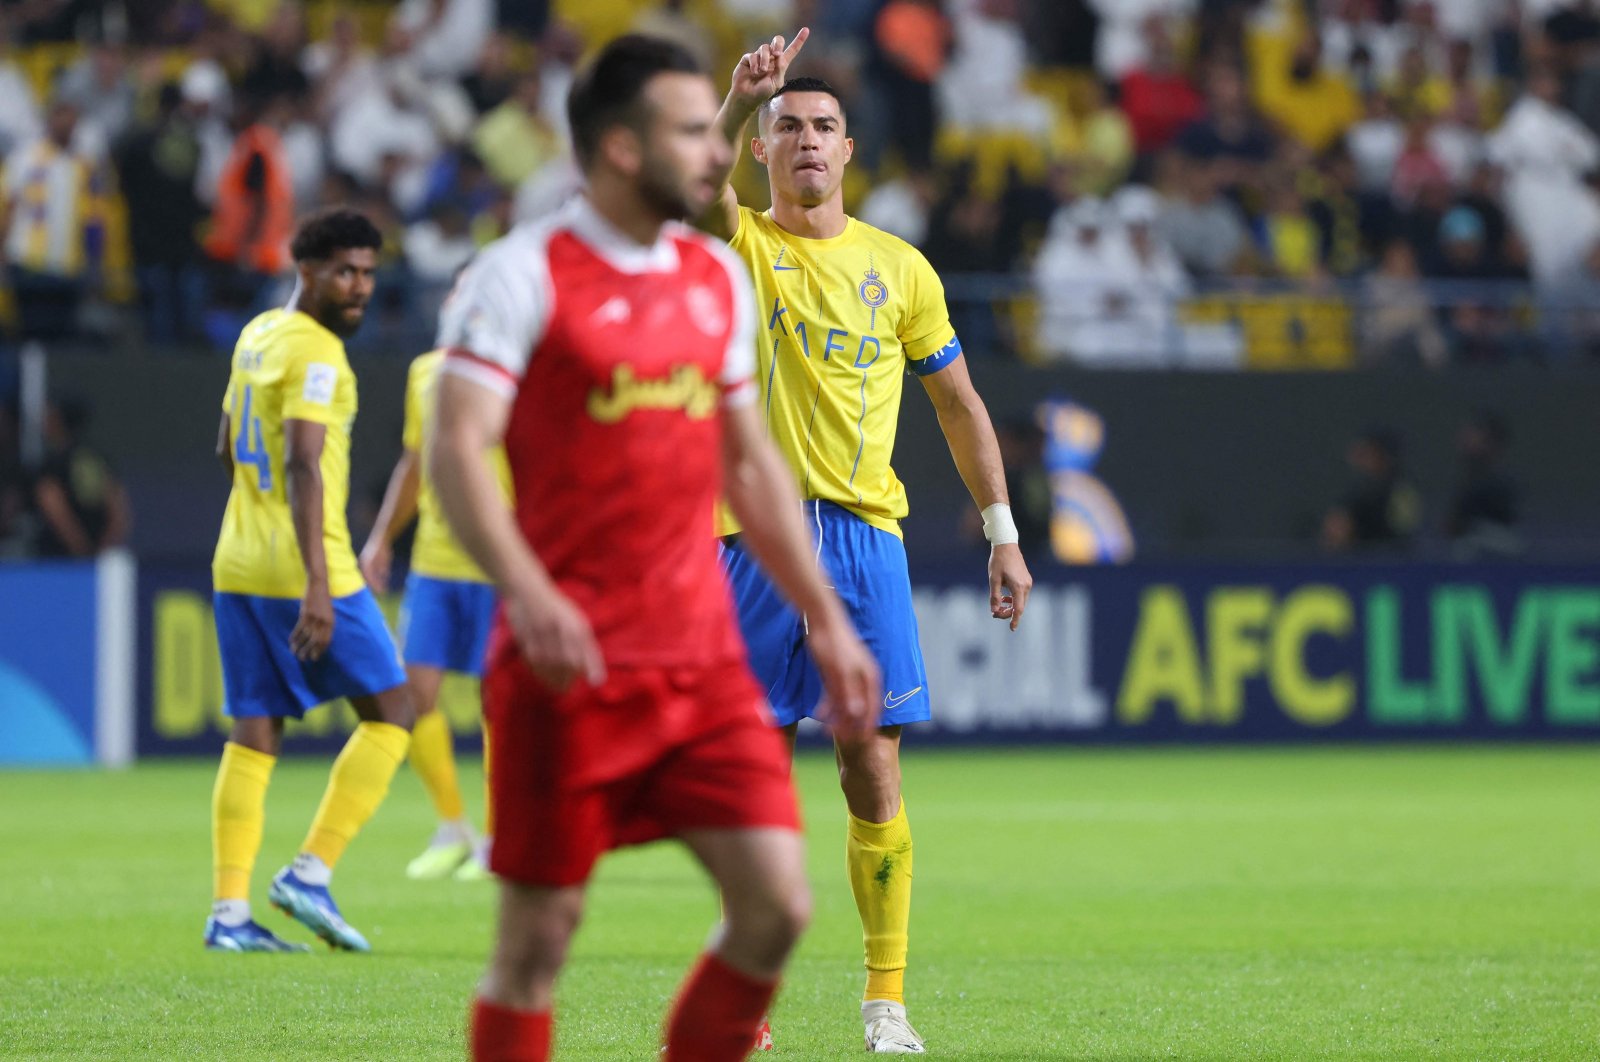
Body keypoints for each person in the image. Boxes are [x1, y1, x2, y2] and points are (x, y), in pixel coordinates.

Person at [428, 35, 881, 1062]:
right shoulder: (516, 277)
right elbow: (456, 450)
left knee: (776, 906)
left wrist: (829, 618)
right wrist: (527, 592)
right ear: (623, 149)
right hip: (565, 666)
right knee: (536, 942)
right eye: (693, 130)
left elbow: (751, 467)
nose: (719, 151)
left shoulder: (712, 279)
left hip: (701, 665)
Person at [702, 30, 1035, 1053]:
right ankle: (742, 1003)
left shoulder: (900, 268)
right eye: (786, 129)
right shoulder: (739, 243)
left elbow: (959, 405)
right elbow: (681, 190)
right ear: (762, 152)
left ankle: (883, 1002)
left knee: (869, 768)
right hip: (749, 542)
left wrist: (1001, 532)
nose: (805, 142)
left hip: (861, 541)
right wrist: (730, 102)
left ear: (850, 151)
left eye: (823, 129)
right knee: (747, 780)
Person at [205, 208, 416, 954]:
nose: (359, 288)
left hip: (237, 561)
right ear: (307, 271)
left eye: (367, 273)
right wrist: (319, 586)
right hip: (306, 566)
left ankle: (229, 915)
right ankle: (310, 872)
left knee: (255, 727)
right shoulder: (320, 352)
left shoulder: (258, 333)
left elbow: (227, 445)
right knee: (396, 709)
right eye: (344, 273)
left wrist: (254, 524)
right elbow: (300, 460)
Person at [360, 340, 513, 882]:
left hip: (496, 560)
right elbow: (416, 458)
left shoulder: (514, 366)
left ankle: (499, 838)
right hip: (433, 562)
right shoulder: (424, 370)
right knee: (413, 694)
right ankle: (453, 827)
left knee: (499, 701)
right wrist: (381, 539)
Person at [29, 395, 130, 558]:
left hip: (60, 559)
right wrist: (103, 548)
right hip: (93, 555)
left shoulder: (55, 462)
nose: (43, 421)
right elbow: (119, 512)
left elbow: (53, 506)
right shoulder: (98, 457)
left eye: (48, 414)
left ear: (58, 420)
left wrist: (81, 549)